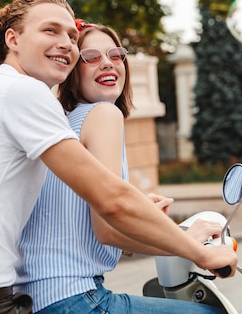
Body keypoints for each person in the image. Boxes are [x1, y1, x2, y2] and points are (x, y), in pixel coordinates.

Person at [0, 0, 237, 314]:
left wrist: (138, 218)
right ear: (13, 39)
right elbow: (112, 202)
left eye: (71, 36)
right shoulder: (23, 93)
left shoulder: (2, 98)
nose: (65, 44)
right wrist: (196, 249)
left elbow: (75, 220)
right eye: (50, 31)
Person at [16, 23, 226, 314]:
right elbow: (107, 227)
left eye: (116, 55)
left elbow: (78, 224)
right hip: (72, 298)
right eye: (90, 57)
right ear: (73, 72)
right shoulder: (103, 115)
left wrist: (139, 217)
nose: (107, 63)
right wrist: (189, 244)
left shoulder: (62, 124)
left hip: (34, 300)